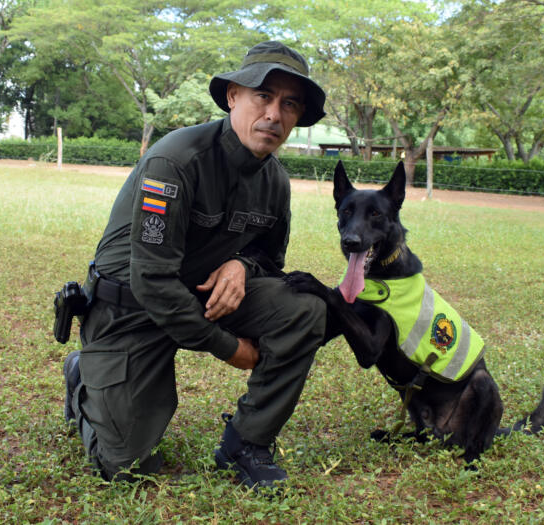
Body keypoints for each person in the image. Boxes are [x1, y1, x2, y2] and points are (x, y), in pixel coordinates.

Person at [62, 41, 327, 490]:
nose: (274, 114)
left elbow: (269, 258)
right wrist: (229, 347)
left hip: (200, 298)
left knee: (304, 307)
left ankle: (247, 443)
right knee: (125, 467)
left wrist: (242, 263)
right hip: (130, 311)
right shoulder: (176, 160)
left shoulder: (276, 182)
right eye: (263, 96)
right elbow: (151, 279)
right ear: (233, 97)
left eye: (290, 104)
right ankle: (81, 377)